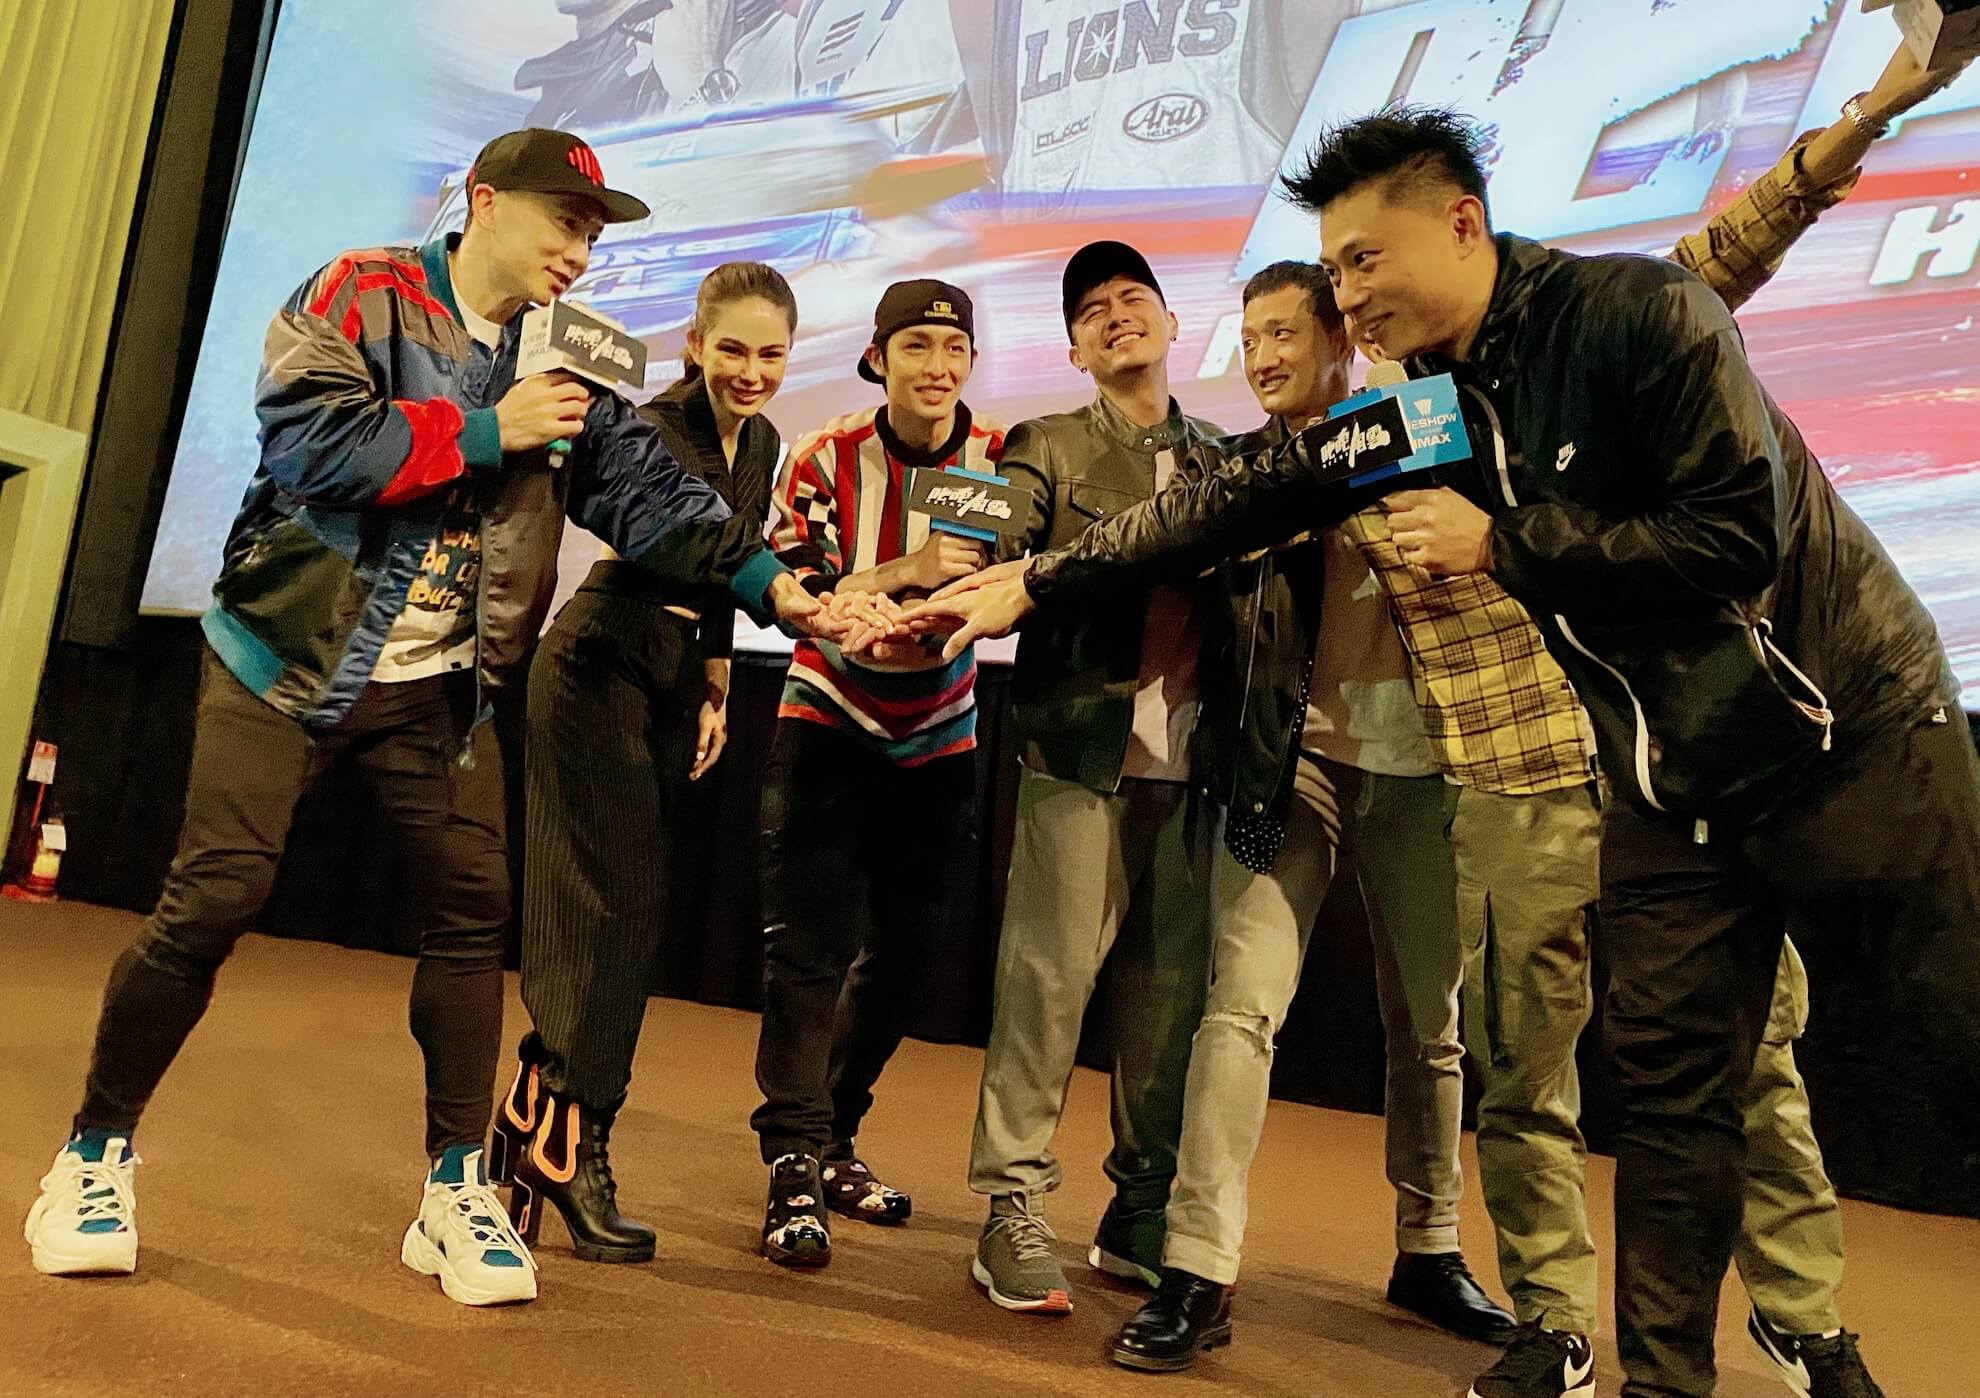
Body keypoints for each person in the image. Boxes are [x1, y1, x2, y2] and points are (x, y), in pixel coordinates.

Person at [908, 55, 1978, 1396]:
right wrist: (1037, 577)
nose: (1335, 302)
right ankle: (1546, 1328)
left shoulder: (1609, 320)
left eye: (1356, 270)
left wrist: (1862, 120)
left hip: (1769, 746)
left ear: (1460, 226)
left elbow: (1725, 424)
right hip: (1504, 783)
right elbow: (1231, 503)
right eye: (1321, 280)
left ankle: (1800, 1321)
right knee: (1582, 1084)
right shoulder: (1404, 421)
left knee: (1819, 1053)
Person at [22, 127, 835, 1308]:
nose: (579, 251)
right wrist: (491, 429)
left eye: (593, 233)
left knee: (471, 914)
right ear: (484, 201)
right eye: (564, 222)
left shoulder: (564, 354)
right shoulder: (364, 291)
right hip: (286, 660)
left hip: (440, 690)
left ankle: (457, 1187)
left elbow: (648, 494)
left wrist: (780, 591)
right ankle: (92, 1156)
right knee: (216, 897)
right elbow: (311, 441)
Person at [1107, 258, 1512, 1372]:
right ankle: (1198, 1270)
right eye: (1248, 341)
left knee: (1430, 1024)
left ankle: (1430, 1248)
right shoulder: (1249, 473)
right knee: (1239, 1011)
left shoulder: (1430, 427)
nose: (1263, 358)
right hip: (1289, 767)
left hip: (1427, 768)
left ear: (1344, 338)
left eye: (1284, 333)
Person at [496, 262, 798, 1265]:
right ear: (694, 346)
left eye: (771, 354)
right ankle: (573, 1142)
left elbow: (722, 572)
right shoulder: (651, 427)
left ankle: (533, 1125)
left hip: (670, 676)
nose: (751, 371)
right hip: (599, 659)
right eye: (732, 349)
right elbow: (689, 546)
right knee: (607, 911)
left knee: (625, 915)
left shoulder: (764, 442)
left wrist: (716, 681)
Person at [965, 240, 1226, 1317]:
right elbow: (1001, 545)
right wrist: (955, 565)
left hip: (1198, 768)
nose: (1117, 314)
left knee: (1168, 1007)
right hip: (1079, 751)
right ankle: (1011, 1206)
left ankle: (1140, 1210)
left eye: (1134, 297)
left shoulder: (1223, 459)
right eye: (1092, 310)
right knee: (1048, 988)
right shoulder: (1050, 444)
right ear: (1074, 350)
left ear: (1172, 322)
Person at [749, 280, 1006, 1267]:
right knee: (806, 950)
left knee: (908, 959)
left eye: (954, 348)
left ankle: (836, 1136)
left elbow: (1012, 575)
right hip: (829, 715)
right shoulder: (824, 455)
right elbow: (800, 586)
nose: (938, 367)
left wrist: (950, 593)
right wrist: (908, 571)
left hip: (940, 731)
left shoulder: (998, 460)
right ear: (877, 358)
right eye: (916, 347)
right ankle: (791, 1163)